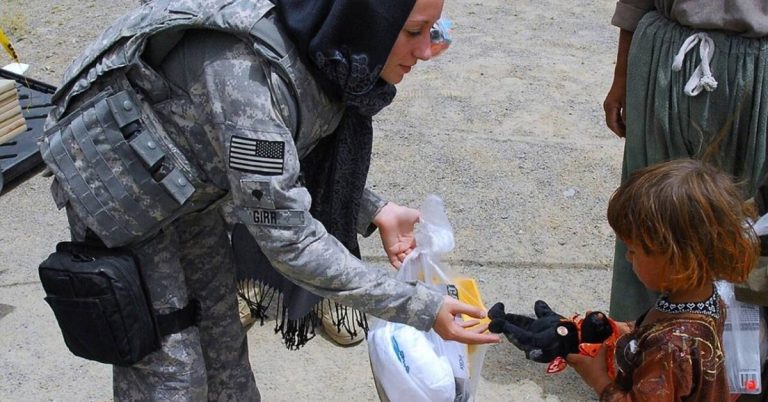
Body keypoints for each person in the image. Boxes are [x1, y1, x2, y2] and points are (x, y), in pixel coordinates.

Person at [39, 0, 499, 400]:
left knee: (222, 343)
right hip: (121, 191)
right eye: (414, 32)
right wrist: (420, 307)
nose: (425, 52)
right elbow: (291, 241)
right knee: (172, 368)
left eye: (435, 31)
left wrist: (373, 208)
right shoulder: (249, 82)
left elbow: (276, 165)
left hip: (191, 181)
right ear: (368, 20)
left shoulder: (324, 48)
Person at [604, 1, 768, 323]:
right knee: (652, 210)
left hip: (758, 68)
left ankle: (738, 352)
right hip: (665, 60)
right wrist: (621, 76)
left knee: (747, 224)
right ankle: (636, 342)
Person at [567, 159, 759, 400]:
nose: (627, 257)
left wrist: (598, 379)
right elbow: (658, 321)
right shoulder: (705, 299)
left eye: (634, 250)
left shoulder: (670, 348)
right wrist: (622, 330)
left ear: (678, 260)